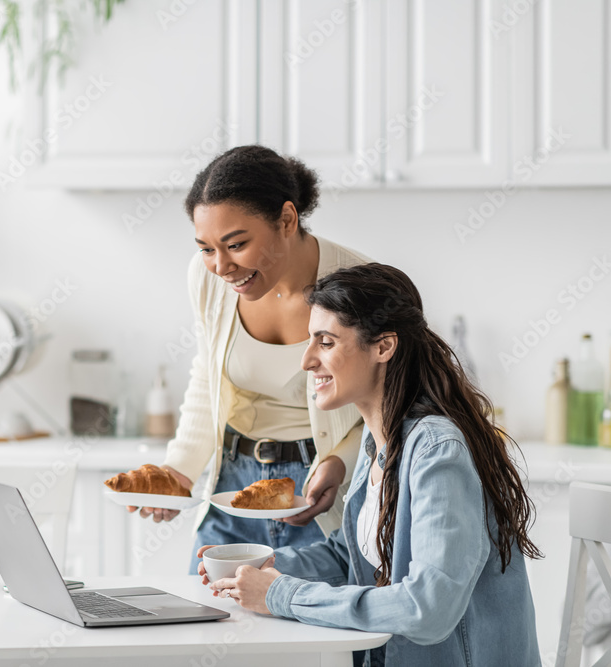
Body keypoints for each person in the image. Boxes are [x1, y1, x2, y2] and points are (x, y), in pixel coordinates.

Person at [201, 263, 543, 666]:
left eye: (325, 342)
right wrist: (261, 567)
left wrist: (279, 594)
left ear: (383, 347)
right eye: (309, 342)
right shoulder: (378, 437)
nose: (307, 361)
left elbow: (428, 608)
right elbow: (353, 558)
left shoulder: (438, 450)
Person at [128, 145, 371, 572]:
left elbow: (393, 403)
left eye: (236, 244)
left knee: (307, 634)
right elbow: (209, 377)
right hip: (232, 490)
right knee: (207, 626)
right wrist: (180, 472)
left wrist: (340, 462)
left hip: (321, 495)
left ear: (287, 220)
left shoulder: (361, 285)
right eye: (206, 248)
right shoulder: (208, 282)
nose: (221, 267)